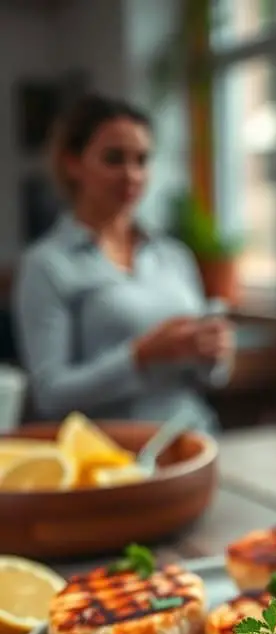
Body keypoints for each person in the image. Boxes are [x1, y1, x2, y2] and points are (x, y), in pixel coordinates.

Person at [13, 94, 235, 431]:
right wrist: (140, 356)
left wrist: (214, 352)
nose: (131, 175)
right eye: (114, 159)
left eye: (142, 160)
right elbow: (50, 395)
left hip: (193, 441)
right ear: (73, 163)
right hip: (111, 458)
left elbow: (207, 377)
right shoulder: (46, 266)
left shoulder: (173, 256)